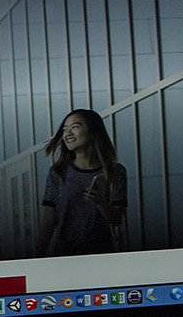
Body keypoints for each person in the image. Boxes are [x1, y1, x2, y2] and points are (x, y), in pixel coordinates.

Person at [37, 109, 128, 256]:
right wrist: (37, 259)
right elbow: (48, 221)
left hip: (102, 255)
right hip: (64, 254)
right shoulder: (58, 173)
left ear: (93, 133)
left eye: (75, 127)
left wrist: (100, 202)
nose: (68, 133)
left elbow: (117, 219)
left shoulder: (115, 172)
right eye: (65, 129)